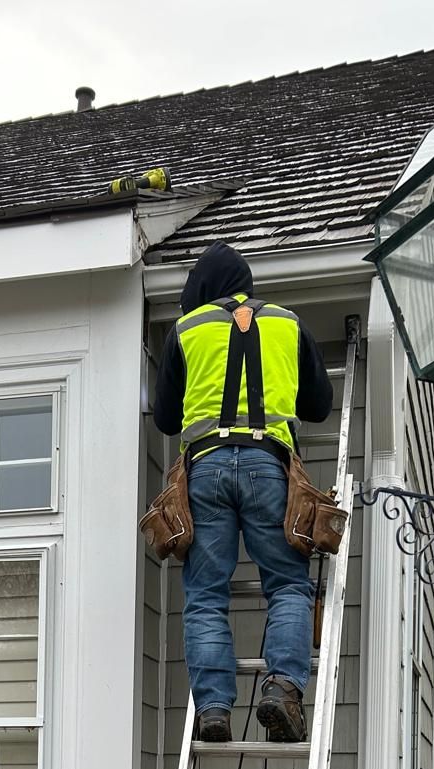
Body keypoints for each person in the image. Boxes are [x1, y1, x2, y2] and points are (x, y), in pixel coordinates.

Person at [153, 242, 334, 743]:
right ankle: (281, 689)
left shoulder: (186, 330)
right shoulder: (287, 324)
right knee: (289, 586)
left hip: (205, 469)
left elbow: (166, 417)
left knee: (206, 596)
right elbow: (320, 405)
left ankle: (213, 708)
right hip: (268, 466)